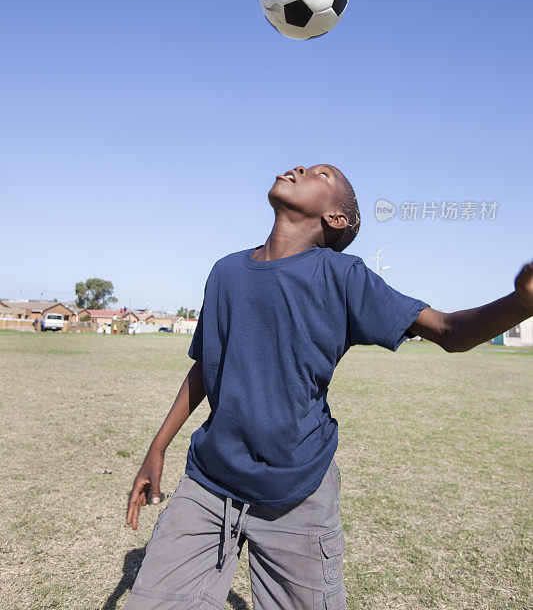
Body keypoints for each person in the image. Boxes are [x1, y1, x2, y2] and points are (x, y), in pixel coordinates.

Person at [123, 163, 533, 610]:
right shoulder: (225, 272)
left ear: (337, 218)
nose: (300, 168)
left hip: (298, 493)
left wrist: (521, 302)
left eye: (322, 173)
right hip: (208, 483)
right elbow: (206, 365)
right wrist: (157, 447)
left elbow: (450, 331)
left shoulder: (343, 277)